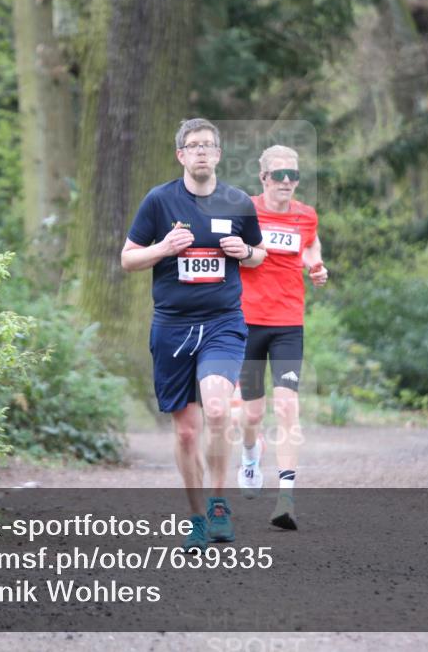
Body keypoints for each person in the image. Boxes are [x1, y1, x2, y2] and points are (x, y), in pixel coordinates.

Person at [121, 118, 265, 552]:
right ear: (181, 155)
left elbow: (259, 254)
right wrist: (164, 248)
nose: (202, 152)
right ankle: (197, 518)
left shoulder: (238, 202)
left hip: (222, 322)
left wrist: (247, 252)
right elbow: (128, 259)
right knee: (186, 432)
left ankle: (220, 504)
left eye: (209, 145)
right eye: (193, 146)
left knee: (218, 410)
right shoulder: (159, 201)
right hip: (172, 328)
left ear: (218, 155)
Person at [236, 144, 328, 530]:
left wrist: (315, 264)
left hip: (289, 322)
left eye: (293, 175)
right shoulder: (244, 210)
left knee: (287, 405)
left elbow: (309, 242)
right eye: (279, 175)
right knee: (252, 414)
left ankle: (285, 497)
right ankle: (250, 451)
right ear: (263, 178)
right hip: (246, 321)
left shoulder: (306, 215)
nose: (287, 182)